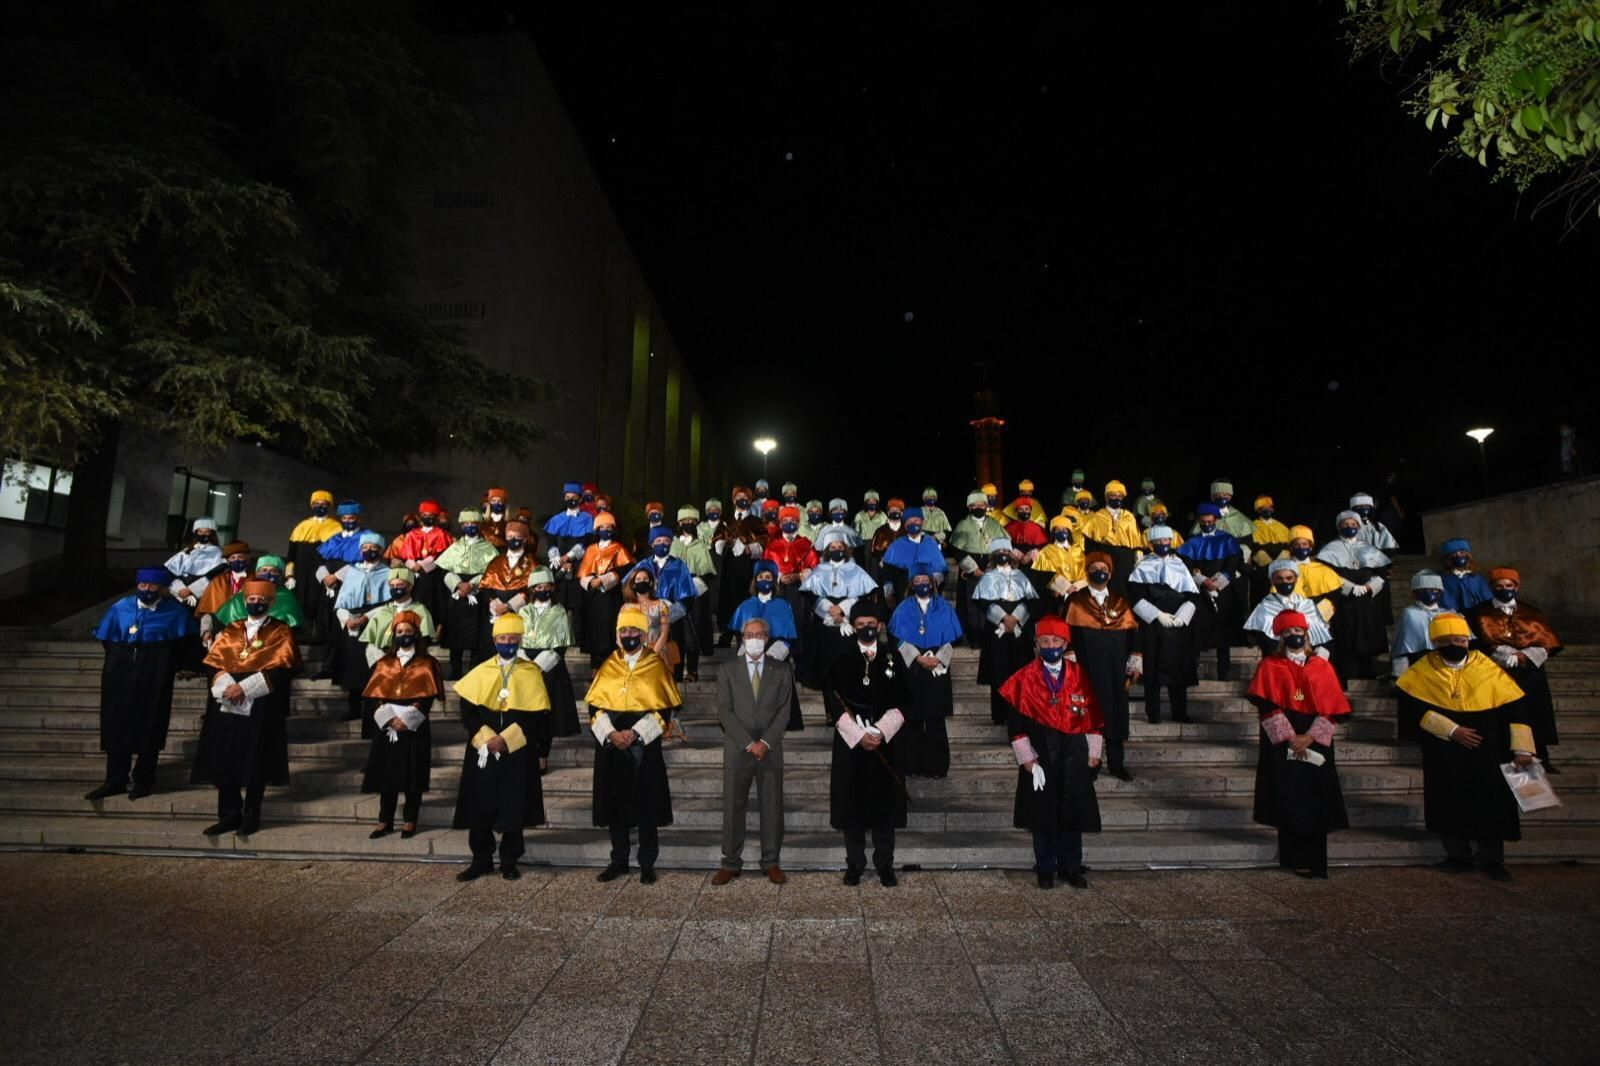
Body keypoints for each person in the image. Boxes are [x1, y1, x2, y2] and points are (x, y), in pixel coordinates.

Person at [1396, 613, 1533, 881]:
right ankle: (1457, 855)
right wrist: (1452, 730)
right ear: (1436, 643)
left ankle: (1492, 859)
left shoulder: (1489, 669)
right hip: (1445, 750)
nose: (1456, 644)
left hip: (1490, 749)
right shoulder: (1421, 672)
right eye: (1448, 640)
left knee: (1492, 801)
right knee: (1448, 799)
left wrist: (1522, 749)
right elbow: (1413, 712)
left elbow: (1516, 711)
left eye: (1460, 639)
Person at [189, 579, 301, 836]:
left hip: (260, 703)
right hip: (227, 701)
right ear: (244, 601)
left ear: (271, 602)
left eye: (261, 600)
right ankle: (228, 815)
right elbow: (214, 663)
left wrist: (246, 689)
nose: (256, 603)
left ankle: (251, 816)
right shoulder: (231, 629)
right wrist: (226, 685)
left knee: (255, 760)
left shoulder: (280, 631)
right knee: (225, 756)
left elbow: (285, 669)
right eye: (251, 599)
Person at [1000, 616, 1104, 889]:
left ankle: (1071, 866)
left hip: (1074, 753)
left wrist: (1094, 753)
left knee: (1073, 812)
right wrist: (1028, 761)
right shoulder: (1023, 678)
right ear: (1036, 644)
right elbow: (1016, 727)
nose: (1051, 645)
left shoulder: (1079, 674)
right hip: (1041, 755)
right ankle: (1045, 867)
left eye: (1056, 641)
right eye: (1044, 641)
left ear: (1065, 643)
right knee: (1042, 814)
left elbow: (1093, 717)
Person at [1247, 611, 1351, 878]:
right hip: (1282, 739)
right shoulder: (1270, 665)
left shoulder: (1322, 666)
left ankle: (1316, 860)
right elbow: (1265, 704)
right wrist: (1290, 738)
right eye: (1287, 632)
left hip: (1316, 738)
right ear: (1280, 637)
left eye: (1298, 631)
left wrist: (1311, 736)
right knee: (1288, 794)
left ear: (1307, 634)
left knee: (1317, 795)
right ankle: (1292, 857)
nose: (1294, 636)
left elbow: (1334, 709)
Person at [84, 567, 200, 801]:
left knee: (150, 725)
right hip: (119, 677)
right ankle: (115, 779)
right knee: (116, 725)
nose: (146, 590)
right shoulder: (120, 608)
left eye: (152, 586)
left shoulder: (175, 613)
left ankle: (144, 779)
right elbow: (108, 639)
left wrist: (178, 665)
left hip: (155, 677)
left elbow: (187, 646)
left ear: (164, 589)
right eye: (142, 585)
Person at [586, 605, 683, 884]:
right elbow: (594, 707)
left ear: (642, 634)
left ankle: (647, 863)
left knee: (646, 807)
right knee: (615, 806)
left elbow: (664, 711)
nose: (628, 635)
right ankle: (619, 860)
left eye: (633, 630)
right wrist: (612, 734)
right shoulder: (608, 664)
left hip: (644, 748)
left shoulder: (655, 665)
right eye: (623, 630)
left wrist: (635, 734)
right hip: (611, 747)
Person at [451, 614, 549, 881]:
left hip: (515, 749)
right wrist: (486, 737)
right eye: (502, 638)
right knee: (480, 803)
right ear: (494, 640)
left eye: (512, 638)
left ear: (520, 640)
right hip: (483, 748)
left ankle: (509, 860)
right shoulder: (480, 671)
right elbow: (468, 710)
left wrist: (507, 740)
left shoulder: (531, 672)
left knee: (514, 802)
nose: (508, 642)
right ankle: (481, 859)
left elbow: (536, 716)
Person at [823, 601, 911, 886]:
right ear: (853, 626)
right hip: (852, 744)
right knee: (852, 806)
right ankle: (855, 863)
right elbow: (832, 702)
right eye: (860, 624)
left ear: (880, 625)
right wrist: (859, 735)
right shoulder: (840, 657)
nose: (866, 628)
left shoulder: (892, 657)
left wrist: (881, 731)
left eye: (871, 623)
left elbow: (905, 700)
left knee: (884, 807)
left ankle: (885, 863)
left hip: (886, 741)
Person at [712, 616, 796, 885]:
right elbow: (725, 710)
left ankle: (771, 861)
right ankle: (730, 863)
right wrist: (748, 743)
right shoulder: (727, 669)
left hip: (770, 749)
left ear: (767, 638)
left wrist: (766, 742)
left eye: (759, 634)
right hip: (738, 748)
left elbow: (785, 711)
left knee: (772, 806)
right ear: (742, 638)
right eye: (749, 635)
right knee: (733, 807)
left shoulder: (781, 670)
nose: (754, 639)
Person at [1468, 568, 1563, 773]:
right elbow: (1476, 642)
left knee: (1533, 712)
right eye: (1499, 586)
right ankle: (1504, 753)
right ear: (1491, 587)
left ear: (1516, 587)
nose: (1504, 590)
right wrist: (1505, 654)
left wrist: (1525, 656)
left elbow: (1546, 641)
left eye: (1509, 586)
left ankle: (1541, 756)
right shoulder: (1479, 612)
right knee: (1504, 714)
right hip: (1496, 671)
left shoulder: (1532, 612)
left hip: (1529, 672)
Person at [362, 610, 441, 840]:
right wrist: (388, 718)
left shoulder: (428, 663)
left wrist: (407, 719)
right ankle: (384, 820)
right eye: (399, 631)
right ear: (393, 634)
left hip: (413, 727)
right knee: (386, 774)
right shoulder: (384, 663)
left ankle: (410, 819)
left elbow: (428, 696)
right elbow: (374, 695)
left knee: (412, 775)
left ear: (416, 634)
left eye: (408, 631)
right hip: (387, 726)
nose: (403, 635)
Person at [1063, 553, 1141, 781]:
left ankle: (1117, 764)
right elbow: (1067, 636)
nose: (1100, 571)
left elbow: (1133, 635)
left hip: (1116, 670)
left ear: (1110, 572)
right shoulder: (1075, 601)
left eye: (1103, 568)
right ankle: (1091, 764)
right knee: (1089, 717)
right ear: (1087, 572)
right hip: (1087, 670)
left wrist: (1135, 664)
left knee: (1116, 717)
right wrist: (1071, 665)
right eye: (1094, 568)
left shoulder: (1120, 601)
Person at [887, 561, 962, 778]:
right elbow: (895, 638)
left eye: (925, 580)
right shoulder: (903, 608)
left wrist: (938, 658)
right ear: (911, 583)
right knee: (913, 719)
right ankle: (912, 766)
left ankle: (937, 767)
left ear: (932, 582)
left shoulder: (944, 606)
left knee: (936, 720)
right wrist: (917, 658)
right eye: (917, 580)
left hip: (938, 666)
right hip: (913, 667)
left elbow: (953, 637)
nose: (922, 583)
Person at [1128, 527, 1199, 724]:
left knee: (1179, 671)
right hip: (1154, 627)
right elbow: (1135, 597)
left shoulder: (1180, 564)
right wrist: (1157, 615)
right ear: (1151, 544)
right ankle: (1154, 714)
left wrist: (1182, 616)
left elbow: (1193, 596)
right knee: (1152, 671)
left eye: (1166, 540)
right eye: (1158, 541)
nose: (1163, 544)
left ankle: (1180, 712)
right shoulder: (1143, 566)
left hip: (1178, 627)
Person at [801, 525, 882, 689]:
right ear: (827, 550)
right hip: (823, 620)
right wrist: (829, 608)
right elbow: (810, 594)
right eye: (833, 547)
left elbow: (865, 593)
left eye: (840, 547)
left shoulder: (855, 569)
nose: (836, 550)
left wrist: (843, 608)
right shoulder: (819, 569)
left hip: (847, 619)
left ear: (846, 549)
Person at [517, 568, 581, 774]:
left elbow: (562, 645)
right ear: (532, 589)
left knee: (547, 715)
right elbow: (515, 637)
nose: (542, 590)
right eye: (538, 587)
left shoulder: (559, 611)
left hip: (550, 668)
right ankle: (525, 755)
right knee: (525, 713)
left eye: (546, 587)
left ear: (552, 588)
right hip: (525, 665)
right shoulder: (523, 612)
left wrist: (541, 664)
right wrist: (526, 661)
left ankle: (542, 758)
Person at [1317, 511, 1391, 683]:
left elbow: (1381, 573)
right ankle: (1346, 672)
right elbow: (1327, 574)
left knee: (1367, 636)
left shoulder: (1368, 548)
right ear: (1338, 527)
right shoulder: (1329, 549)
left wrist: (1370, 586)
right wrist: (1349, 588)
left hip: (1366, 600)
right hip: (1344, 601)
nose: (1349, 528)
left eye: (1353, 525)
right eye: (1345, 525)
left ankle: (1368, 671)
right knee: (1345, 637)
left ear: (1358, 527)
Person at [973, 539, 1040, 725]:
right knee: (998, 673)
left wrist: (1016, 617)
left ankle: (1020, 713)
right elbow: (981, 602)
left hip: (1020, 630)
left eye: (1006, 550)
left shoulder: (1021, 575)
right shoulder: (987, 577)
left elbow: (1031, 601)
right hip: (996, 632)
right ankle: (1000, 715)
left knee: (1020, 672)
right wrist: (1003, 617)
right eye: (999, 550)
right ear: (993, 556)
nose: (1003, 553)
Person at [327, 532, 393, 720]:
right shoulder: (352, 571)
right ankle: (353, 707)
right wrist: (346, 618)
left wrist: (366, 617)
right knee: (352, 666)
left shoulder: (387, 573)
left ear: (380, 550)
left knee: (371, 667)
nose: (369, 551)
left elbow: (388, 605)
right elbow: (340, 602)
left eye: (373, 548)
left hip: (375, 623)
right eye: (365, 548)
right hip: (351, 623)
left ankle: (373, 709)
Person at [1178, 503, 1246, 681]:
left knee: (1223, 634)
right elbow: (1187, 566)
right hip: (1200, 590)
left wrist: (1217, 583)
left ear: (1215, 520)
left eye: (1210, 521)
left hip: (1223, 591)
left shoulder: (1228, 540)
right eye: (1203, 521)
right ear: (1199, 522)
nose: (1207, 524)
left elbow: (1232, 566)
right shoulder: (1193, 541)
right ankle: (1192, 674)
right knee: (1196, 632)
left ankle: (1224, 673)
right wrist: (1202, 581)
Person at [629, 525, 703, 682]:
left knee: (672, 657)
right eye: (658, 540)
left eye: (666, 541)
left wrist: (668, 615)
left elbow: (688, 596)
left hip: (671, 619)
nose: (662, 544)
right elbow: (628, 588)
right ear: (651, 543)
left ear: (671, 544)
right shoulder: (643, 565)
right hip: (644, 620)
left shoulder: (679, 565)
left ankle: (673, 687)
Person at [435, 510, 499, 679]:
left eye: (474, 524)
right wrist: (458, 584)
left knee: (477, 635)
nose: (471, 526)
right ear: (462, 525)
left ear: (479, 525)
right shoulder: (454, 547)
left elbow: (491, 571)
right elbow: (443, 569)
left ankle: (473, 671)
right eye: (467, 523)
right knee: (454, 635)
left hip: (477, 593)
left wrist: (472, 584)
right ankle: (455, 670)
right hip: (457, 593)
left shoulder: (488, 548)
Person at [713, 486, 768, 647]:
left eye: (745, 497)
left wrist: (749, 548)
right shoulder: (726, 520)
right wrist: (721, 543)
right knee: (727, 597)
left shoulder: (755, 521)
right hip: (728, 566)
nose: (741, 499)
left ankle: (742, 632)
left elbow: (764, 540)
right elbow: (716, 539)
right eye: (738, 496)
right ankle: (726, 632)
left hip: (746, 567)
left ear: (750, 500)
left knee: (743, 597)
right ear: (733, 499)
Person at [577, 512, 633, 668]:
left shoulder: (619, 548)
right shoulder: (590, 549)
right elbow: (582, 572)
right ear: (597, 530)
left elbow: (626, 569)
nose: (606, 530)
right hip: (593, 597)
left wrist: (604, 579)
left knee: (610, 632)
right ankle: (595, 669)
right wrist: (590, 581)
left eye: (609, 527)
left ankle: (612, 668)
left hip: (611, 595)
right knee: (594, 631)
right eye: (603, 527)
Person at [1243, 559, 1334, 655]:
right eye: (1280, 578)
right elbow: (1262, 638)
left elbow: (1321, 634)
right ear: (1272, 581)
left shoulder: (1307, 604)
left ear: (1295, 579)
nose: (1285, 582)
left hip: (1306, 659)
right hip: (1276, 660)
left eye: (1289, 578)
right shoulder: (1264, 606)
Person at [477, 517, 538, 659]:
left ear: (524, 539)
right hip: (496, 610)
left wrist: (510, 606)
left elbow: (534, 588)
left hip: (520, 610)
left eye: (517, 537)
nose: (513, 539)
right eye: (510, 536)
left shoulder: (532, 562)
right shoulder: (497, 560)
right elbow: (485, 586)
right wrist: (495, 604)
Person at [950, 492, 1007, 637]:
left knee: (991, 603)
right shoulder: (963, 525)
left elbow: (1003, 545)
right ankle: (972, 637)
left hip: (991, 567)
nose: (978, 507)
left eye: (981, 505)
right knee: (970, 606)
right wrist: (973, 568)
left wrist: (992, 566)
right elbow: (956, 550)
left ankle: (990, 635)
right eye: (974, 505)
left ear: (986, 506)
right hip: (970, 571)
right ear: (969, 507)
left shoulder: (995, 525)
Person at [285, 490, 340, 640]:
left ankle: (320, 634)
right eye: (317, 503)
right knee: (302, 600)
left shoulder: (336, 528)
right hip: (302, 573)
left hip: (326, 572)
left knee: (321, 602)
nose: (320, 506)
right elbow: (291, 556)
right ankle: (302, 633)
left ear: (329, 506)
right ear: (311, 505)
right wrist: (289, 575)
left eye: (324, 504)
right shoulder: (301, 527)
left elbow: (339, 555)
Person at [672, 506, 719, 667]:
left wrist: (694, 585)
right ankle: (676, 670)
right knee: (676, 629)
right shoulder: (673, 544)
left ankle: (692, 669)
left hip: (696, 593)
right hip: (676, 592)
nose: (688, 524)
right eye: (685, 521)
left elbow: (708, 571)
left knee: (695, 629)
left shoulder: (701, 545)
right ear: (679, 523)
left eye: (692, 521)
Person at [1079, 481, 1143, 596]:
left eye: (1120, 496)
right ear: (1106, 497)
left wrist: (1138, 560)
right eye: (1113, 495)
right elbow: (1090, 545)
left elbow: (1136, 542)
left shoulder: (1129, 517)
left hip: (1126, 561)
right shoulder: (1097, 517)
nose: (1117, 498)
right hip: (1104, 559)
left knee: (1125, 593)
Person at [212, 556, 304, 630]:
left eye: (273, 571)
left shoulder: (288, 598)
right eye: (263, 570)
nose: (268, 574)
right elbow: (222, 619)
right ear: (256, 573)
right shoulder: (243, 595)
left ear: (281, 575)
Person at [398, 499, 453, 621]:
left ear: (436, 517)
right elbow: (405, 554)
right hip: (413, 574)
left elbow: (442, 555)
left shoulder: (441, 534)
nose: (428, 518)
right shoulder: (412, 534)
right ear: (420, 516)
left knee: (432, 605)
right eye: (425, 515)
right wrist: (413, 565)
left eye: (431, 515)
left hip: (432, 575)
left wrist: (423, 565)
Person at [880, 506, 944, 602]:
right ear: (905, 526)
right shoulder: (896, 546)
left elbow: (940, 569)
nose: (913, 524)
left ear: (922, 523)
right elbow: (886, 572)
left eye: (916, 521)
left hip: (928, 594)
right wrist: (889, 594)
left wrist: (933, 583)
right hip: (902, 593)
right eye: (909, 522)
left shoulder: (931, 543)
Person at [194, 540, 253, 642]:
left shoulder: (255, 580)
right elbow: (207, 612)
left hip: (248, 630)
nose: (237, 560)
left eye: (240, 557)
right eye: (233, 558)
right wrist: (206, 631)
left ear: (247, 559)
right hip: (219, 631)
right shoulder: (217, 581)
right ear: (228, 560)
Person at [1391, 571, 1446, 678]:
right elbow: (1402, 647)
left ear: (1440, 592)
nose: (1429, 592)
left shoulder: (1449, 613)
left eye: (1434, 589)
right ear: (1415, 593)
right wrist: (1400, 676)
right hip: (1417, 663)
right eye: (1423, 590)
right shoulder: (1409, 613)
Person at [163, 516, 226, 609]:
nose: (203, 534)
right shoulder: (187, 550)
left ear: (212, 534)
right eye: (200, 531)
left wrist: (192, 590)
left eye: (207, 532)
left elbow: (214, 575)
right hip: (178, 595)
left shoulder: (218, 553)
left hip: (201, 597)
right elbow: (170, 571)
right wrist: (179, 590)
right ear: (196, 533)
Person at [1032, 515, 1087, 614]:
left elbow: (1085, 570)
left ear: (1069, 532)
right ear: (1053, 533)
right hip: (1056, 596)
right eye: (1057, 529)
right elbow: (1043, 575)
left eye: (1064, 529)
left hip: (1078, 593)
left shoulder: (1078, 550)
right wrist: (1065, 587)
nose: (1061, 532)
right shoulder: (1046, 551)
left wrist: (1076, 587)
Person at [1248, 496, 1292, 607]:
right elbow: (1252, 546)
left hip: (1281, 567)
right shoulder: (1252, 526)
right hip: (1262, 569)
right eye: (1263, 507)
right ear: (1258, 510)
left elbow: (1288, 545)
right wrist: (1266, 562)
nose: (1267, 509)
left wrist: (1281, 561)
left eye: (1269, 507)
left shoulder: (1281, 526)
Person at [1439, 538, 1494, 614]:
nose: (1458, 556)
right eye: (1454, 554)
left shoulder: (1477, 578)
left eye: (1462, 553)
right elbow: (1444, 602)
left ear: (1468, 556)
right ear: (1449, 558)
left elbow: (1488, 599)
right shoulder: (1444, 580)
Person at [1002, 496, 1049, 564]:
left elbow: (1045, 548)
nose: (1024, 511)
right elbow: (1001, 545)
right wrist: (1011, 551)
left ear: (1030, 511)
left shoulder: (1038, 528)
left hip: (1033, 565)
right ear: (1017, 511)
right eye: (1021, 509)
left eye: (1026, 509)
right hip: (1012, 564)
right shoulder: (1008, 527)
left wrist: (1033, 552)